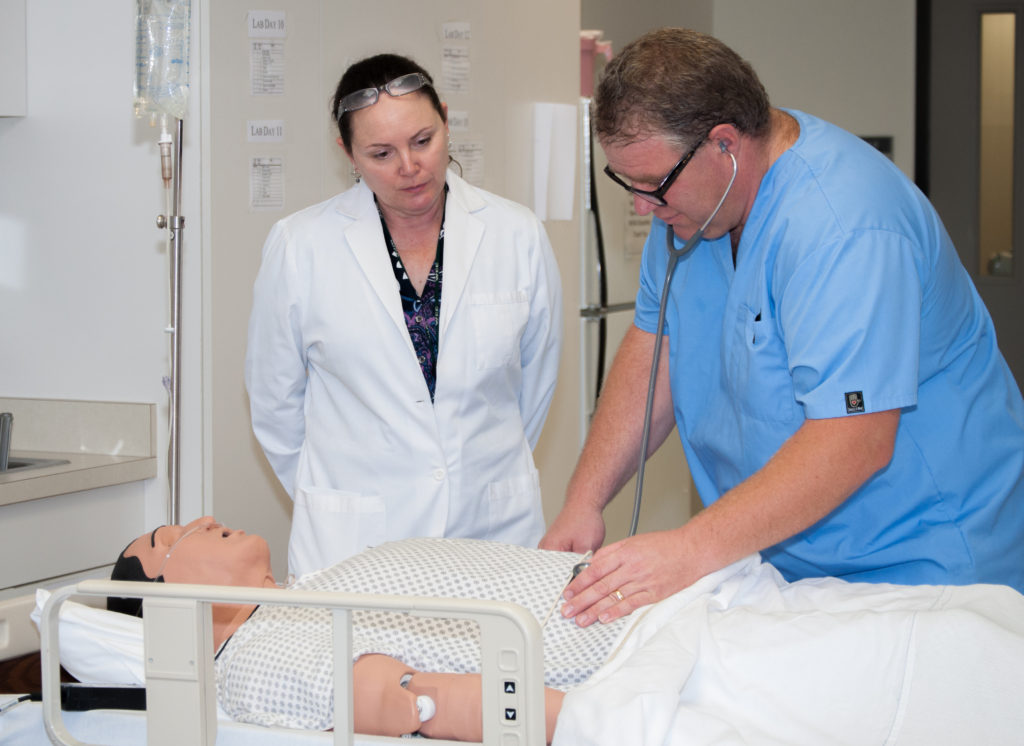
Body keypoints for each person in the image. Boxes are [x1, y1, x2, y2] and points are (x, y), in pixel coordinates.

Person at [541, 27, 1024, 628]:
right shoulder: (693, 216)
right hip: (785, 561)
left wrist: (687, 550)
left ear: (724, 144)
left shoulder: (844, 228)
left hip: (924, 564)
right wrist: (584, 500)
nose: (643, 207)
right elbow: (658, 349)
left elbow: (855, 441)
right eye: (627, 183)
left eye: (654, 184)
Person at [245, 53, 562, 578]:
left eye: (423, 140)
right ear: (347, 151)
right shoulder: (301, 245)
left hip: (492, 536)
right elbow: (274, 403)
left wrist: (470, 469)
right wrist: (337, 496)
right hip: (356, 546)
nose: (409, 167)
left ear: (443, 117)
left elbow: (536, 384)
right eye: (381, 153)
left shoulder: (516, 233)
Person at [108, 516, 627, 742]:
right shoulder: (255, 656)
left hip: (635, 596)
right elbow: (421, 701)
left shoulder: (304, 596)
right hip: (626, 651)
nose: (203, 519)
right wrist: (605, 727)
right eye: (172, 537)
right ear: (163, 598)